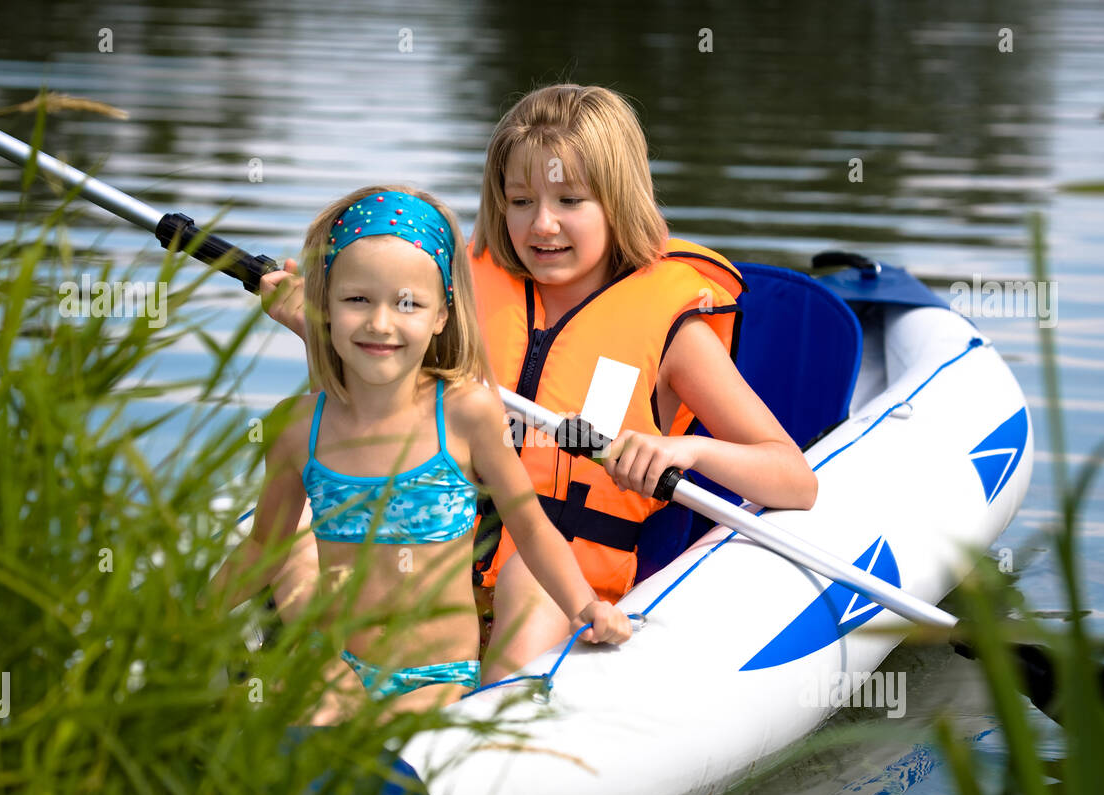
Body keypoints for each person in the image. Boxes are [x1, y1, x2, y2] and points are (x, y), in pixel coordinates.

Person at [262, 85, 817, 685]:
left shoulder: (675, 333)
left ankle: (488, 706)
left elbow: (794, 478)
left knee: (530, 572)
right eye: (521, 200)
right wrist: (317, 329)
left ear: (618, 200)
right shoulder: (459, 296)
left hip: (559, 555)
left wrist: (687, 450)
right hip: (437, 522)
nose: (541, 224)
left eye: (570, 199)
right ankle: (311, 674)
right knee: (299, 529)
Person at [208, 185, 631, 723]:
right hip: (337, 662)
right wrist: (188, 621)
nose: (380, 323)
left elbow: (531, 529)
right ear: (325, 308)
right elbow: (262, 549)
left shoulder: (465, 414)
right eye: (357, 299)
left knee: (385, 743)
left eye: (407, 303)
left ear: (440, 315)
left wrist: (584, 606)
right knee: (304, 728)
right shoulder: (297, 428)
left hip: (433, 676)